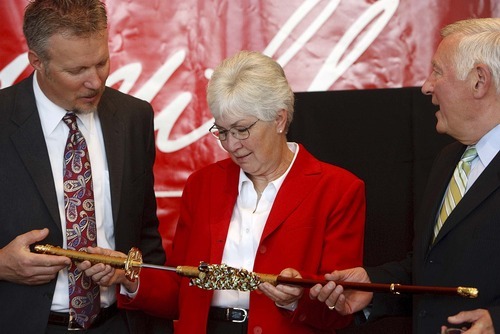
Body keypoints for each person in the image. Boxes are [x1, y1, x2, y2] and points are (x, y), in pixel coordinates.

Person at [87, 50, 366, 333]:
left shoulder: (338, 189)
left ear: (279, 120)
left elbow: (341, 307)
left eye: (241, 129)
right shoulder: (203, 185)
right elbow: (180, 287)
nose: (231, 144)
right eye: (221, 131)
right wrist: (128, 275)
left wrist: (296, 299)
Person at [309, 17, 500, 334]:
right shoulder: (448, 159)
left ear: (479, 81)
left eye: (438, 72)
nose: (426, 86)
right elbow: (434, 268)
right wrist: (374, 287)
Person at [0, 0, 171, 333]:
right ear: (37, 61)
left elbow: (146, 238)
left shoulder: (134, 118)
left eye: (102, 63)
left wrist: (128, 273)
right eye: (77, 70)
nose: (96, 82)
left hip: (117, 323)